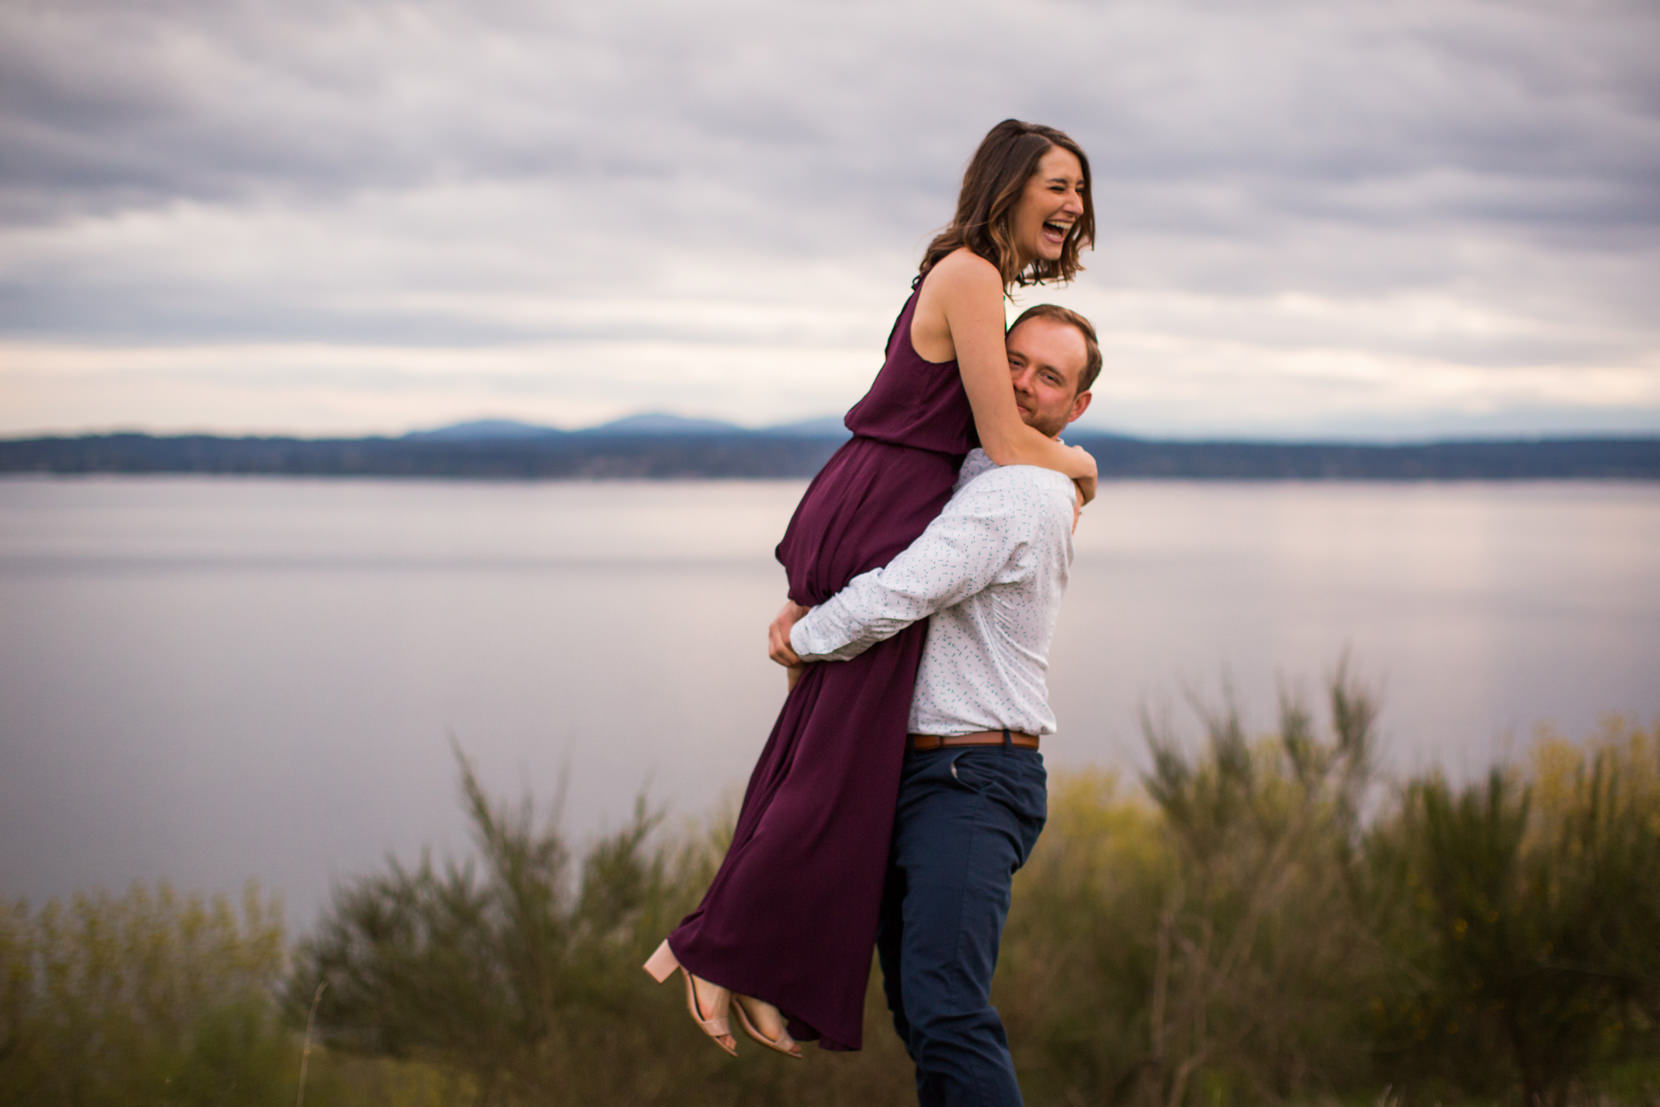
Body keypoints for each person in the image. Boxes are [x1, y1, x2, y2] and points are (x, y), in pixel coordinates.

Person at [644, 120, 1098, 1057]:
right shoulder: (973, 274)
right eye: (1057, 184)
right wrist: (1083, 466)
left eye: (1080, 189)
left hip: (882, 502)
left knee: (829, 762)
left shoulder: (970, 276)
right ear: (1009, 184)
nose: (1073, 204)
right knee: (826, 768)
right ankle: (715, 948)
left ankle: (751, 961)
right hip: (887, 501)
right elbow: (1004, 441)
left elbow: (988, 441)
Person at [768, 304, 1098, 1104]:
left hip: (974, 778)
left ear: (1077, 403)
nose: (1021, 383)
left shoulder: (1021, 490)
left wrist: (804, 636)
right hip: (919, 775)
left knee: (947, 1009)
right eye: (1012, 359)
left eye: (1048, 376)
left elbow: (903, 591)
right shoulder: (980, 465)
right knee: (920, 1013)